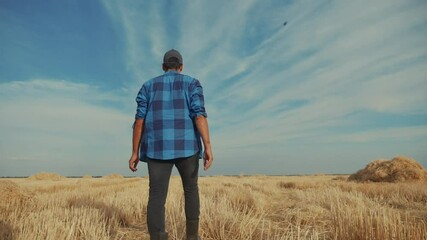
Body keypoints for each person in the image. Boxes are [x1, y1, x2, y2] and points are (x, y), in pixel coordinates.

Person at [129, 49, 213, 240]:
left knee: (156, 196)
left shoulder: (148, 86)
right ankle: (192, 237)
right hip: (187, 147)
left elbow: (139, 120)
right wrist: (208, 146)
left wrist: (135, 152)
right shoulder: (192, 83)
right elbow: (199, 114)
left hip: (156, 148)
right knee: (191, 190)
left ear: (163, 67)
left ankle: (158, 237)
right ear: (181, 67)